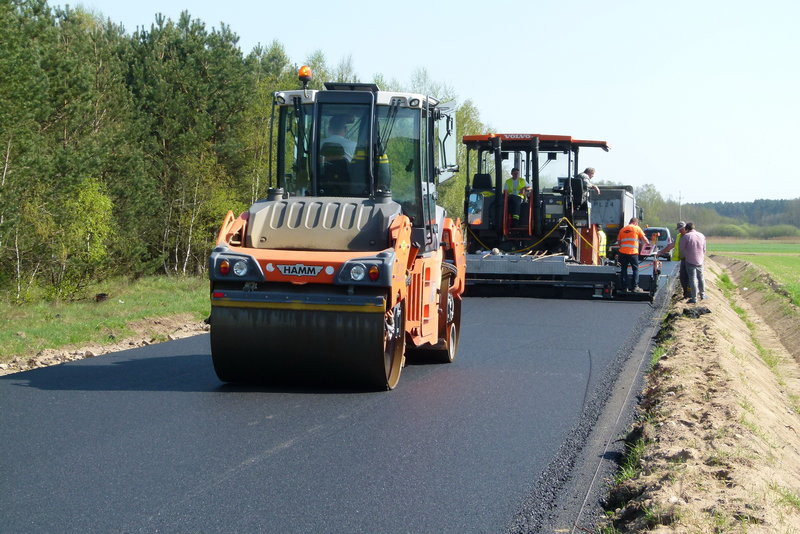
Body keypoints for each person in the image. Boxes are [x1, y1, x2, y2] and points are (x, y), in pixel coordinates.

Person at [617, 217, 648, 293]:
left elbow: (619, 242)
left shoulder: (622, 229)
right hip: (633, 253)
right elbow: (644, 239)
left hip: (623, 253)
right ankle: (635, 287)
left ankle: (624, 288)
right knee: (635, 269)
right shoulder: (637, 228)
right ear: (636, 223)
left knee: (623, 269)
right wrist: (649, 245)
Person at [661, 221, 690, 299]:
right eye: (679, 229)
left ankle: (689, 294)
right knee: (682, 277)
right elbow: (671, 245)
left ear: (685, 228)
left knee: (688, 277)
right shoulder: (679, 236)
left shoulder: (689, 236)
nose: (680, 231)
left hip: (689, 260)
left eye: (681, 229)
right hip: (682, 259)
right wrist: (660, 252)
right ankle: (686, 293)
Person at [680, 221, 706, 303]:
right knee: (701, 277)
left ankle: (694, 298)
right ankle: (703, 295)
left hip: (690, 260)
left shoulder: (686, 236)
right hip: (700, 260)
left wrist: (685, 256)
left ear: (686, 229)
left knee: (693, 279)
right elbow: (704, 249)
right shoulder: (701, 235)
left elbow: (682, 249)